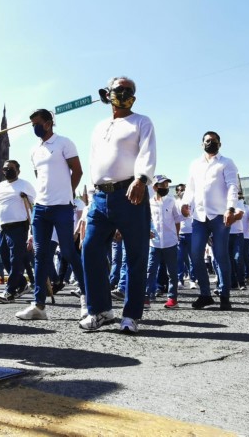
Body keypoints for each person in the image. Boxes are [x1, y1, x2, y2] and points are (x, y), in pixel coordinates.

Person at [80, 76, 156, 334]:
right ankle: (100, 310)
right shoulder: (99, 126)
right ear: (107, 94)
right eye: (119, 89)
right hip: (100, 196)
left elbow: (147, 152)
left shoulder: (141, 122)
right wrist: (90, 197)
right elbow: (93, 162)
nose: (124, 94)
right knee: (90, 249)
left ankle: (131, 315)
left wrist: (141, 179)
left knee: (135, 255)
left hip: (129, 193)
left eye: (129, 90)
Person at [17, 108, 86, 322]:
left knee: (68, 252)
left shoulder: (64, 143)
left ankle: (86, 299)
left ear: (48, 123)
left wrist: (68, 193)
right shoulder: (34, 150)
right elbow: (40, 177)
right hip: (41, 208)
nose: (35, 128)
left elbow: (78, 170)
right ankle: (39, 305)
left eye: (37, 123)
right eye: (32, 125)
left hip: (62, 207)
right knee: (41, 256)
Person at [181, 132, 238, 311]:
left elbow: (232, 186)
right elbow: (190, 187)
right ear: (201, 144)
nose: (209, 143)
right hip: (199, 216)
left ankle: (224, 296)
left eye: (213, 141)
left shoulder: (226, 163)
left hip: (220, 215)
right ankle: (205, 294)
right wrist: (184, 203)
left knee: (221, 255)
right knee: (196, 255)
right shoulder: (195, 164)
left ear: (219, 144)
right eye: (207, 141)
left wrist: (230, 208)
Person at [0, 160, 36, 304]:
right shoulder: (0, 187)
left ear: (18, 170)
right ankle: (22, 284)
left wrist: (33, 230)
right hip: (3, 227)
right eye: (5, 169)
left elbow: (33, 206)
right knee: (5, 258)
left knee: (15, 259)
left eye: (11, 168)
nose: (7, 171)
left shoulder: (25, 185)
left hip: (19, 226)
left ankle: (10, 291)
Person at [145, 175, 183, 309]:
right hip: (154, 243)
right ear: (155, 187)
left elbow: (177, 220)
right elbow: (146, 219)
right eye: (162, 185)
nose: (165, 187)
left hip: (170, 242)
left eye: (167, 185)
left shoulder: (172, 201)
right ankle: (147, 297)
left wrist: (175, 236)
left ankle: (173, 298)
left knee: (172, 272)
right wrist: (146, 230)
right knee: (150, 270)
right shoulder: (149, 202)